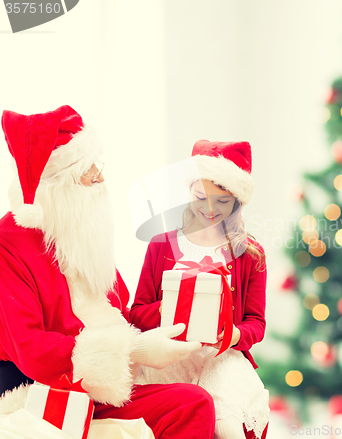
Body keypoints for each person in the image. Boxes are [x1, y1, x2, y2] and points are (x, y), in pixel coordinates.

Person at [0, 105, 215, 438]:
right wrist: (134, 351)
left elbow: (119, 313)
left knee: (195, 401)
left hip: (102, 386)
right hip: (43, 391)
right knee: (192, 403)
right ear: (59, 185)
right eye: (90, 170)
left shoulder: (78, 230)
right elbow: (32, 350)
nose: (101, 177)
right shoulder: (8, 245)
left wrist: (178, 310)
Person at [130, 140, 269, 439]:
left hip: (222, 358)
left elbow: (256, 324)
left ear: (236, 201)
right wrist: (174, 307)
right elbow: (137, 314)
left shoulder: (250, 253)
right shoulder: (161, 244)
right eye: (200, 197)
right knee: (179, 416)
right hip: (170, 356)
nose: (209, 209)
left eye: (222, 201)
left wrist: (233, 335)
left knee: (224, 421)